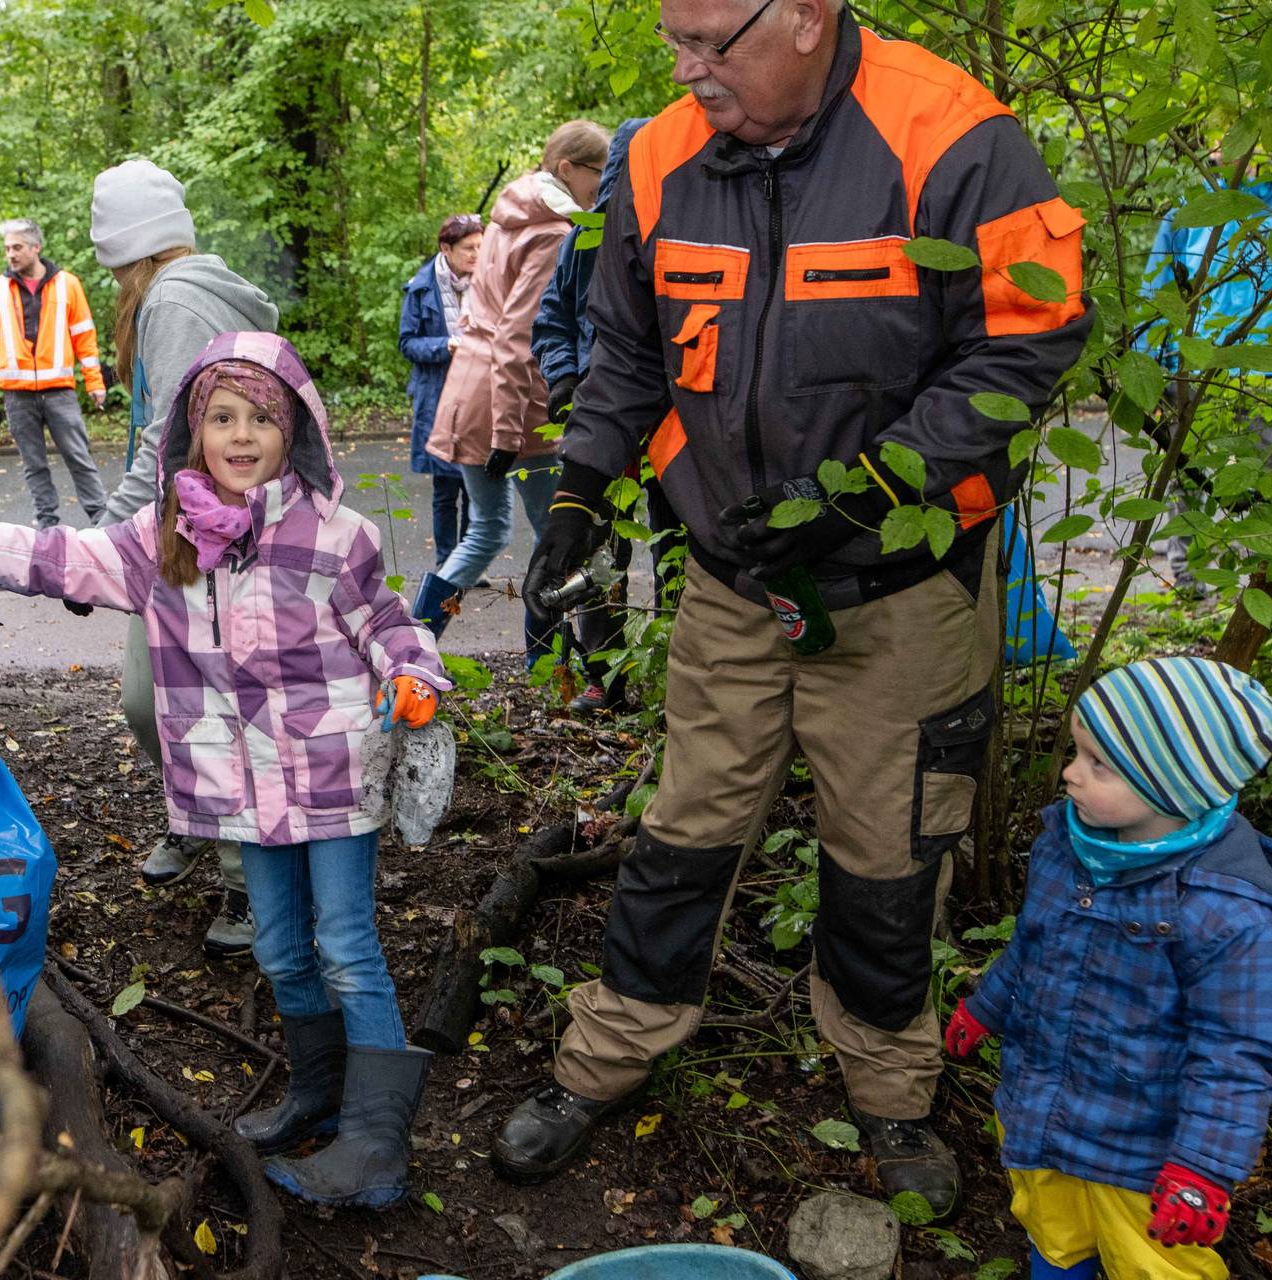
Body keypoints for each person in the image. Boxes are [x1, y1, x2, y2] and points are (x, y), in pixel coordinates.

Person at [501, 0, 1094, 1216]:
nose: (685, 70)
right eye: (673, 40)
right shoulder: (659, 155)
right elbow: (625, 350)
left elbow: (1026, 343)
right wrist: (576, 502)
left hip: (898, 590)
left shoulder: (956, 137)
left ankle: (888, 1093)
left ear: (810, 16)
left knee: (887, 856)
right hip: (727, 575)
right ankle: (606, 1056)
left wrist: (873, 490)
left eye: (712, 42)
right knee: (681, 827)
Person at [0, 332, 451, 1208]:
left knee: (348, 947)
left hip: (328, 771)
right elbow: (51, 557)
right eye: (222, 418)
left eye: (262, 421)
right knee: (281, 950)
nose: (242, 438)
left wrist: (412, 673)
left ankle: (375, 1148)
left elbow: (389, 624)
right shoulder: (160, 540)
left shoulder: (335, 535)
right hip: (242, 786)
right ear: (192, 432)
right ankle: (318, 1093)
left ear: (297, 434)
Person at [946, 656, 1272, 1280]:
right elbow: (1033, 945)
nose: (1068, 773)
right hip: (1044, 1104)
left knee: (1151, 1266)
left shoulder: (1233, 919)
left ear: (1171, 788)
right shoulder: (1067, 846)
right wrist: (986, 1007)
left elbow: (1235, 1058)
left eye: (1099, 765)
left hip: (1141, 1151)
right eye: (1076, 752)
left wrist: (1201, 1170)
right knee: (1054, 1230)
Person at [90, 159, 281, 954]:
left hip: (207, 535)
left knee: (205, 706)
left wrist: (105, 536)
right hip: (186, 531)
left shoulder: (172, 301)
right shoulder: (193, 290)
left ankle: (250, 889)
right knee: (151, 700)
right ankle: (198, 817)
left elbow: (166, 439)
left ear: (124, 247)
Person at [415, 120, 610, 655]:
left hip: (471, 392)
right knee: (561, 536)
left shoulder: (511, 214)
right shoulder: (551, 232)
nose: (606, 182)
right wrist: (506, 433)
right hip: (513, 404)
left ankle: (413, 643)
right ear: (568, 169)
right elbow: (517, 336)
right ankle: (546, 661)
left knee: (487, 531)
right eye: (600, 171)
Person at [1135, 168, 1272, 597]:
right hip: (1196, 370)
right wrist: (1150, 371)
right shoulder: (1189, 209)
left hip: (1266, 371)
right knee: (1188, 478)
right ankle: (1189, 581)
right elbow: (1159, 288)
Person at [531, 118, 653, 713]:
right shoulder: (582, 240)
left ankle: (681, 676)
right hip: (600, 419)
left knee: (688, 542)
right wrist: (563, 378)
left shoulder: (678, 227)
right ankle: (607, 678)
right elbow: (552, 317)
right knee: (595, 546)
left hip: (677, 424)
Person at [0, 218, 110, 529]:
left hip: (59, 391)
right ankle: (47, 526)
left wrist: (95, 383)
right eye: (7, 248)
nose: (11, 254)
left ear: (36, 248)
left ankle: (103, 522)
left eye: (17, 247)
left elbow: (85, 338)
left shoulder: (67, 284)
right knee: (34, 465)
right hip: (16, 394)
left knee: (79, 458)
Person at [399, 214, 484, 567]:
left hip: (477, 396)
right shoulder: (421, 288)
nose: (477, 255)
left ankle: (467, 562)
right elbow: (407, 344)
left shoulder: (487, 283)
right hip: (436, 397)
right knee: (445, 489)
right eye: (468, 248)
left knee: (474, 486)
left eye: (481, 246)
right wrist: (445, 346)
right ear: (445, 249)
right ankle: (446, 562)